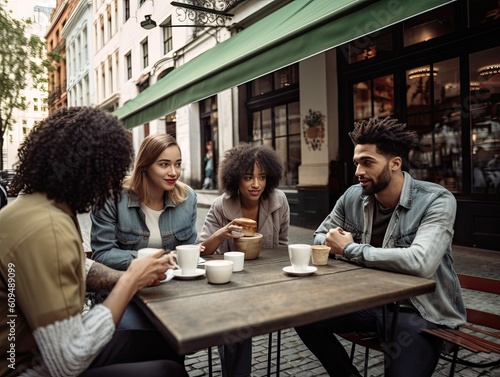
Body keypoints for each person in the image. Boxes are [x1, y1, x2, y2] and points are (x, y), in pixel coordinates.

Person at [0, 107, 187, 377]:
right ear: (90, 171)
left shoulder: (40, 205)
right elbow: (67, 360)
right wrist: (130, 279)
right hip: (24, 367)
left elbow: (78, 267)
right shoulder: (48, 227)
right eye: (110, 170)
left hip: (40, 351)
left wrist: (137, 275)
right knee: (167, 371)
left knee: (165, 343)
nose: (113, 183)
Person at [295, 117, 466, 377]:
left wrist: (349, 249)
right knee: (302, 315)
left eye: (367, 162)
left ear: (395, 164)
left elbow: (421, 262)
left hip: (420, 311)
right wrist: (335, 243)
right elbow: (320, 238)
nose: (358, 172)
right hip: (370, 303)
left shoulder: (436, 200)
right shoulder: (353, 196)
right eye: (356, 163)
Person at [198, 143, 290, 377]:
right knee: (235, 324)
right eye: (248, 177)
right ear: (235, 179)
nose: (256, 184)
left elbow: (282, 247)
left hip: (269, 283)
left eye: (262, 177)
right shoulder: (221, 205)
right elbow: (202, 251)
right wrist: (222, 232)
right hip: (233, 286)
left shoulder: (279, 202)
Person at [91, 133, 198, 271]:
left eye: (177, 164)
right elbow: (102, 254)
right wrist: (157, 259)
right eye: (164, 164)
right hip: (126, 286)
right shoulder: (111, 198)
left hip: (174, 285)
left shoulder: (187, 197)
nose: (174, 172)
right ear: (145, 165)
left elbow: (188, 252)